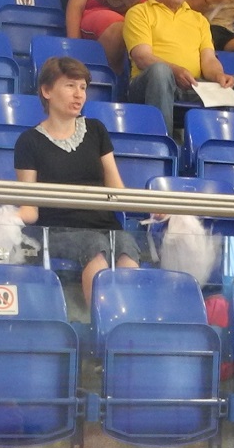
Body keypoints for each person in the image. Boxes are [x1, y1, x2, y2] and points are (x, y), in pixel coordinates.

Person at [15, 56, 143, 304]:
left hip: (104, 225)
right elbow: (29, 209)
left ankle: (128, 321)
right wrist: (4, 217)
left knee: (126, 243)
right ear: (47, 91)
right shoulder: (28, 142)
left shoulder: (96, 130)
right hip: (57, 230)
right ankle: (100, 322)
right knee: (94, 244)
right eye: (70, 86)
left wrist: (152, 208)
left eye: (83, 87)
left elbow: (118, 191)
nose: (79, 94)